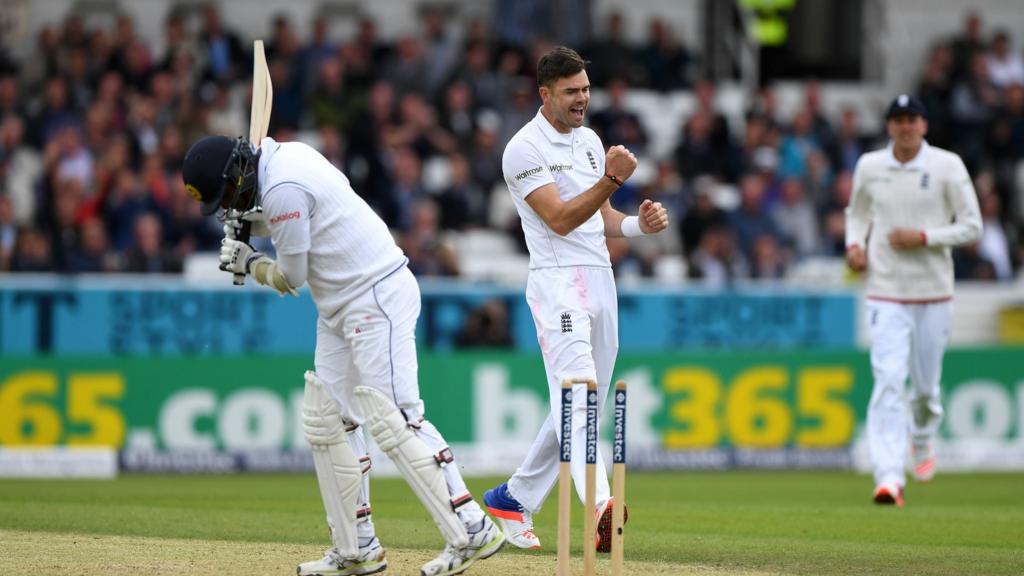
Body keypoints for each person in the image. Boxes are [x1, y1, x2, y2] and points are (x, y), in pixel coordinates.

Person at [181, 134, 504, 576]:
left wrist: (249, 262)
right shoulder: (283, 162)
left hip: (374, 296)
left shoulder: (281, 189)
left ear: (239, 171)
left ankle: (471, 529)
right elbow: (292, 221)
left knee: (398, 420)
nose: (230, 203)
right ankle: (358, 548)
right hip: (340, 305)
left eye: (230, 193)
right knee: (328, 421)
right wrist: (250, 226)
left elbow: (291, 275)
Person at [483, 46, 668, 551]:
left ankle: (512, 496)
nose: (582, 99)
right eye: (571, 92)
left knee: (581, 405)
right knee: (580, 400)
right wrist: (611, 179)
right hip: (558, 282)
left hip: (600, 277)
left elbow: (600, 218)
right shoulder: (523, 148)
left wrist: (636, 225)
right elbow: (560, 219)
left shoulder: (590, 141)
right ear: (545, 94)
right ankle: (604, 507)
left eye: (586, 89)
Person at [845, 94, 982, 508]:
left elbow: (972, 226)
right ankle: (888, 477)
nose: (905, 126)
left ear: (924, 125)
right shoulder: (870, 165)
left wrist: (925, 238)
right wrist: (855, 244)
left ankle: (922, 438)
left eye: (912, 119)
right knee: (888, 381)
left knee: (925, 390)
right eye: (898, 120)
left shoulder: (947, 165)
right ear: (889, 126)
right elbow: (857, 211)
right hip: (886, 290)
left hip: (933, 291)